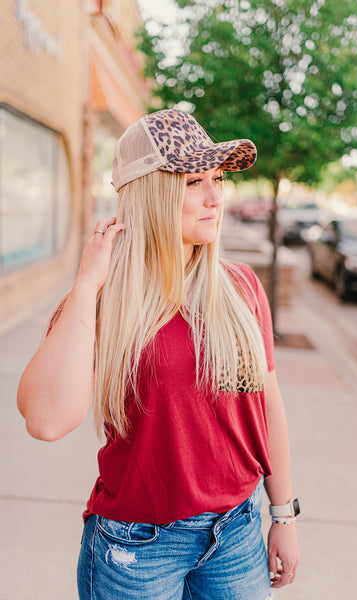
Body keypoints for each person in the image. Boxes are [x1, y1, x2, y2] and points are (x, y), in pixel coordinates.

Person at [17, 109, 300, 599]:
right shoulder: (106, 300)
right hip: (137, 551)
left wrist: (283, 515)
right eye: (194, 182)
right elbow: (45, 420)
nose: (216, 198)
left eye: (217, 180)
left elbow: (267, 407)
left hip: (236, 535)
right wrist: (87, 284)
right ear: (152, 192)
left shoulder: (241, 288)